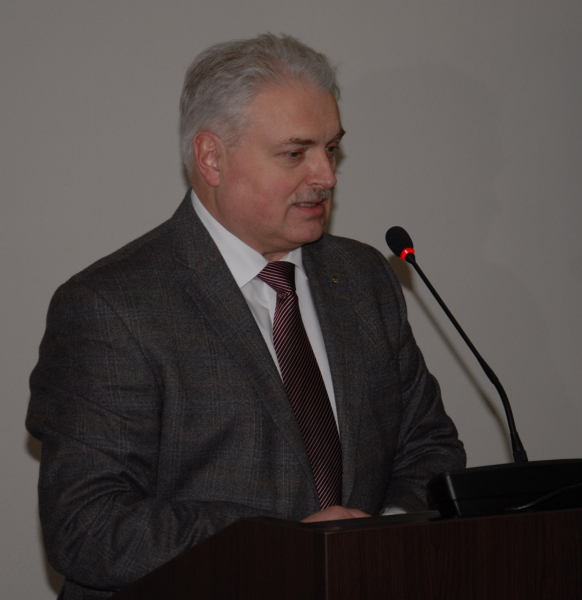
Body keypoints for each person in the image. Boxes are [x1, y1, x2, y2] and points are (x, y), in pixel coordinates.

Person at [26, 34, 465, 599]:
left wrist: (382, 535)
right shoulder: (112, 307)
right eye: (295, 153)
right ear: (212, 157)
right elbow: (88, 526)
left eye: (331, 149)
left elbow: (428, 448)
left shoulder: (363, 278)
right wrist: (282, 546)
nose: (326, 175)